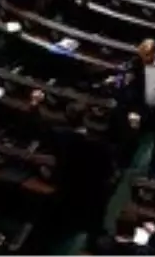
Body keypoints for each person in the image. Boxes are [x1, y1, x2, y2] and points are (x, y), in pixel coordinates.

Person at [48, 102, 116, 244]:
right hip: (91, 189)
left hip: (68, 183)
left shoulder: (68, 139)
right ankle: (93, 236)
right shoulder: (105, 149)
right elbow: (108, 174)